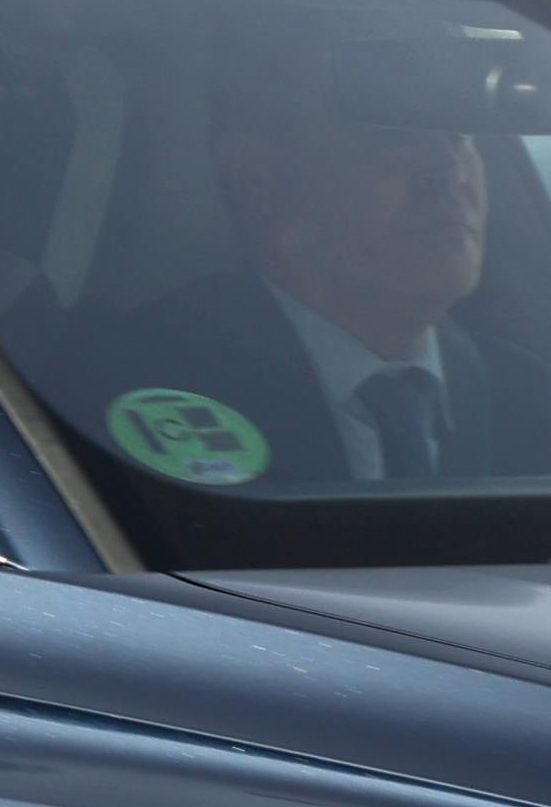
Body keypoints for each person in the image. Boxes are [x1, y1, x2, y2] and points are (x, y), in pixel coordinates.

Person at [70, 46, 551, 489]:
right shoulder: (120, 391)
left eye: (460, 136)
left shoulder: (532, 403)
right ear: (258, 180)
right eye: (390, 136)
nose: (448, 172)